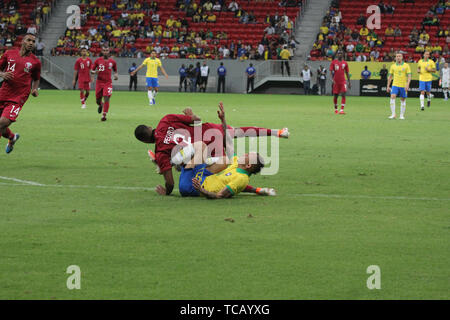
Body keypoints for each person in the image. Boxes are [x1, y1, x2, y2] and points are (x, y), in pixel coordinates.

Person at [134, 105, 289, 196]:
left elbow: (170, 184)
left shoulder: (161, 150)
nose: (246, 154)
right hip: (209, 131)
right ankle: (278, 132)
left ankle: (174, 163)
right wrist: (191, 115)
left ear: (144, 140)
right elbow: (197, 120)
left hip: (205, 151)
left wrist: (166, 189)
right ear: (149, 126)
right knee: (241, 133)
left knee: (220, 166)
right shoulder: (166, 119)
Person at [175, 104, 266, 199]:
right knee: (224, 160)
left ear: (248, 165)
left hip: (191, 187)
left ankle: (178, 162)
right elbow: (229, 144)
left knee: (201, 147)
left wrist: (201, 190)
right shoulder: (237, 164)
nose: (244, 154)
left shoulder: (241, 179)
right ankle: (184, 163)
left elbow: (220, 195)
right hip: (202, 178)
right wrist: (223, 120)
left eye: (247, 156)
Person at [0, 33, 41, 154]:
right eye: (29, 40)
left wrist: (34, 89)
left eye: (33, 41)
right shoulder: (9, 54)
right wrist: (2, 74)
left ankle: (12, 138)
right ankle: (12, 137)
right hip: (4, 92)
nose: (31, 43)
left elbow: (37, 78)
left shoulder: (35, 62)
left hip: (19, 97)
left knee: (2, 122)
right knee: (1, 126)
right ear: (22, 41)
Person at [91, 46, 118, 122]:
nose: (105, 52)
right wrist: (94, 72)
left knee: (106, 97)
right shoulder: (97, 61)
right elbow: (91, 70)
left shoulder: (112, 62)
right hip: (99, 82)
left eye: (107, 50)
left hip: (108, 83)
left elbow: (115, 70)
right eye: (104, 50)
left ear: (109, 51)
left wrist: (116, 75)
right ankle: (101, 105)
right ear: (102, 51)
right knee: (97, 100)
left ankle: (104, 115)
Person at [386, 52, 411, 120]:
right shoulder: (393, 66)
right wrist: (388, 86)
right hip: (395, 84)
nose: (398, 57)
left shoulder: (406, 65)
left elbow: (409, 76)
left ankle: (401, 115)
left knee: (402, 99)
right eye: (397, 56)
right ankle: (393, 114)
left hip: (403, 85)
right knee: (392, 97)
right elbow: (390, 77)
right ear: (395, 57)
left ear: (402, 57)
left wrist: (407, 84)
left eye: (399, 56)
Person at [330, 50, 351, 114]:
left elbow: (347, 73)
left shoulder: (345, 63)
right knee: (335, 96)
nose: (340, 54)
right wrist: (332, 79)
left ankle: (341, 110)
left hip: (343, 81)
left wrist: (349, 82)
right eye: (339, 53)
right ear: (337, 54)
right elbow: (330, 72)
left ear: (343, 55)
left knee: (343, 94)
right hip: (336, 82)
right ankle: (336, 108)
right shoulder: (333, 62)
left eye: (341, 53)